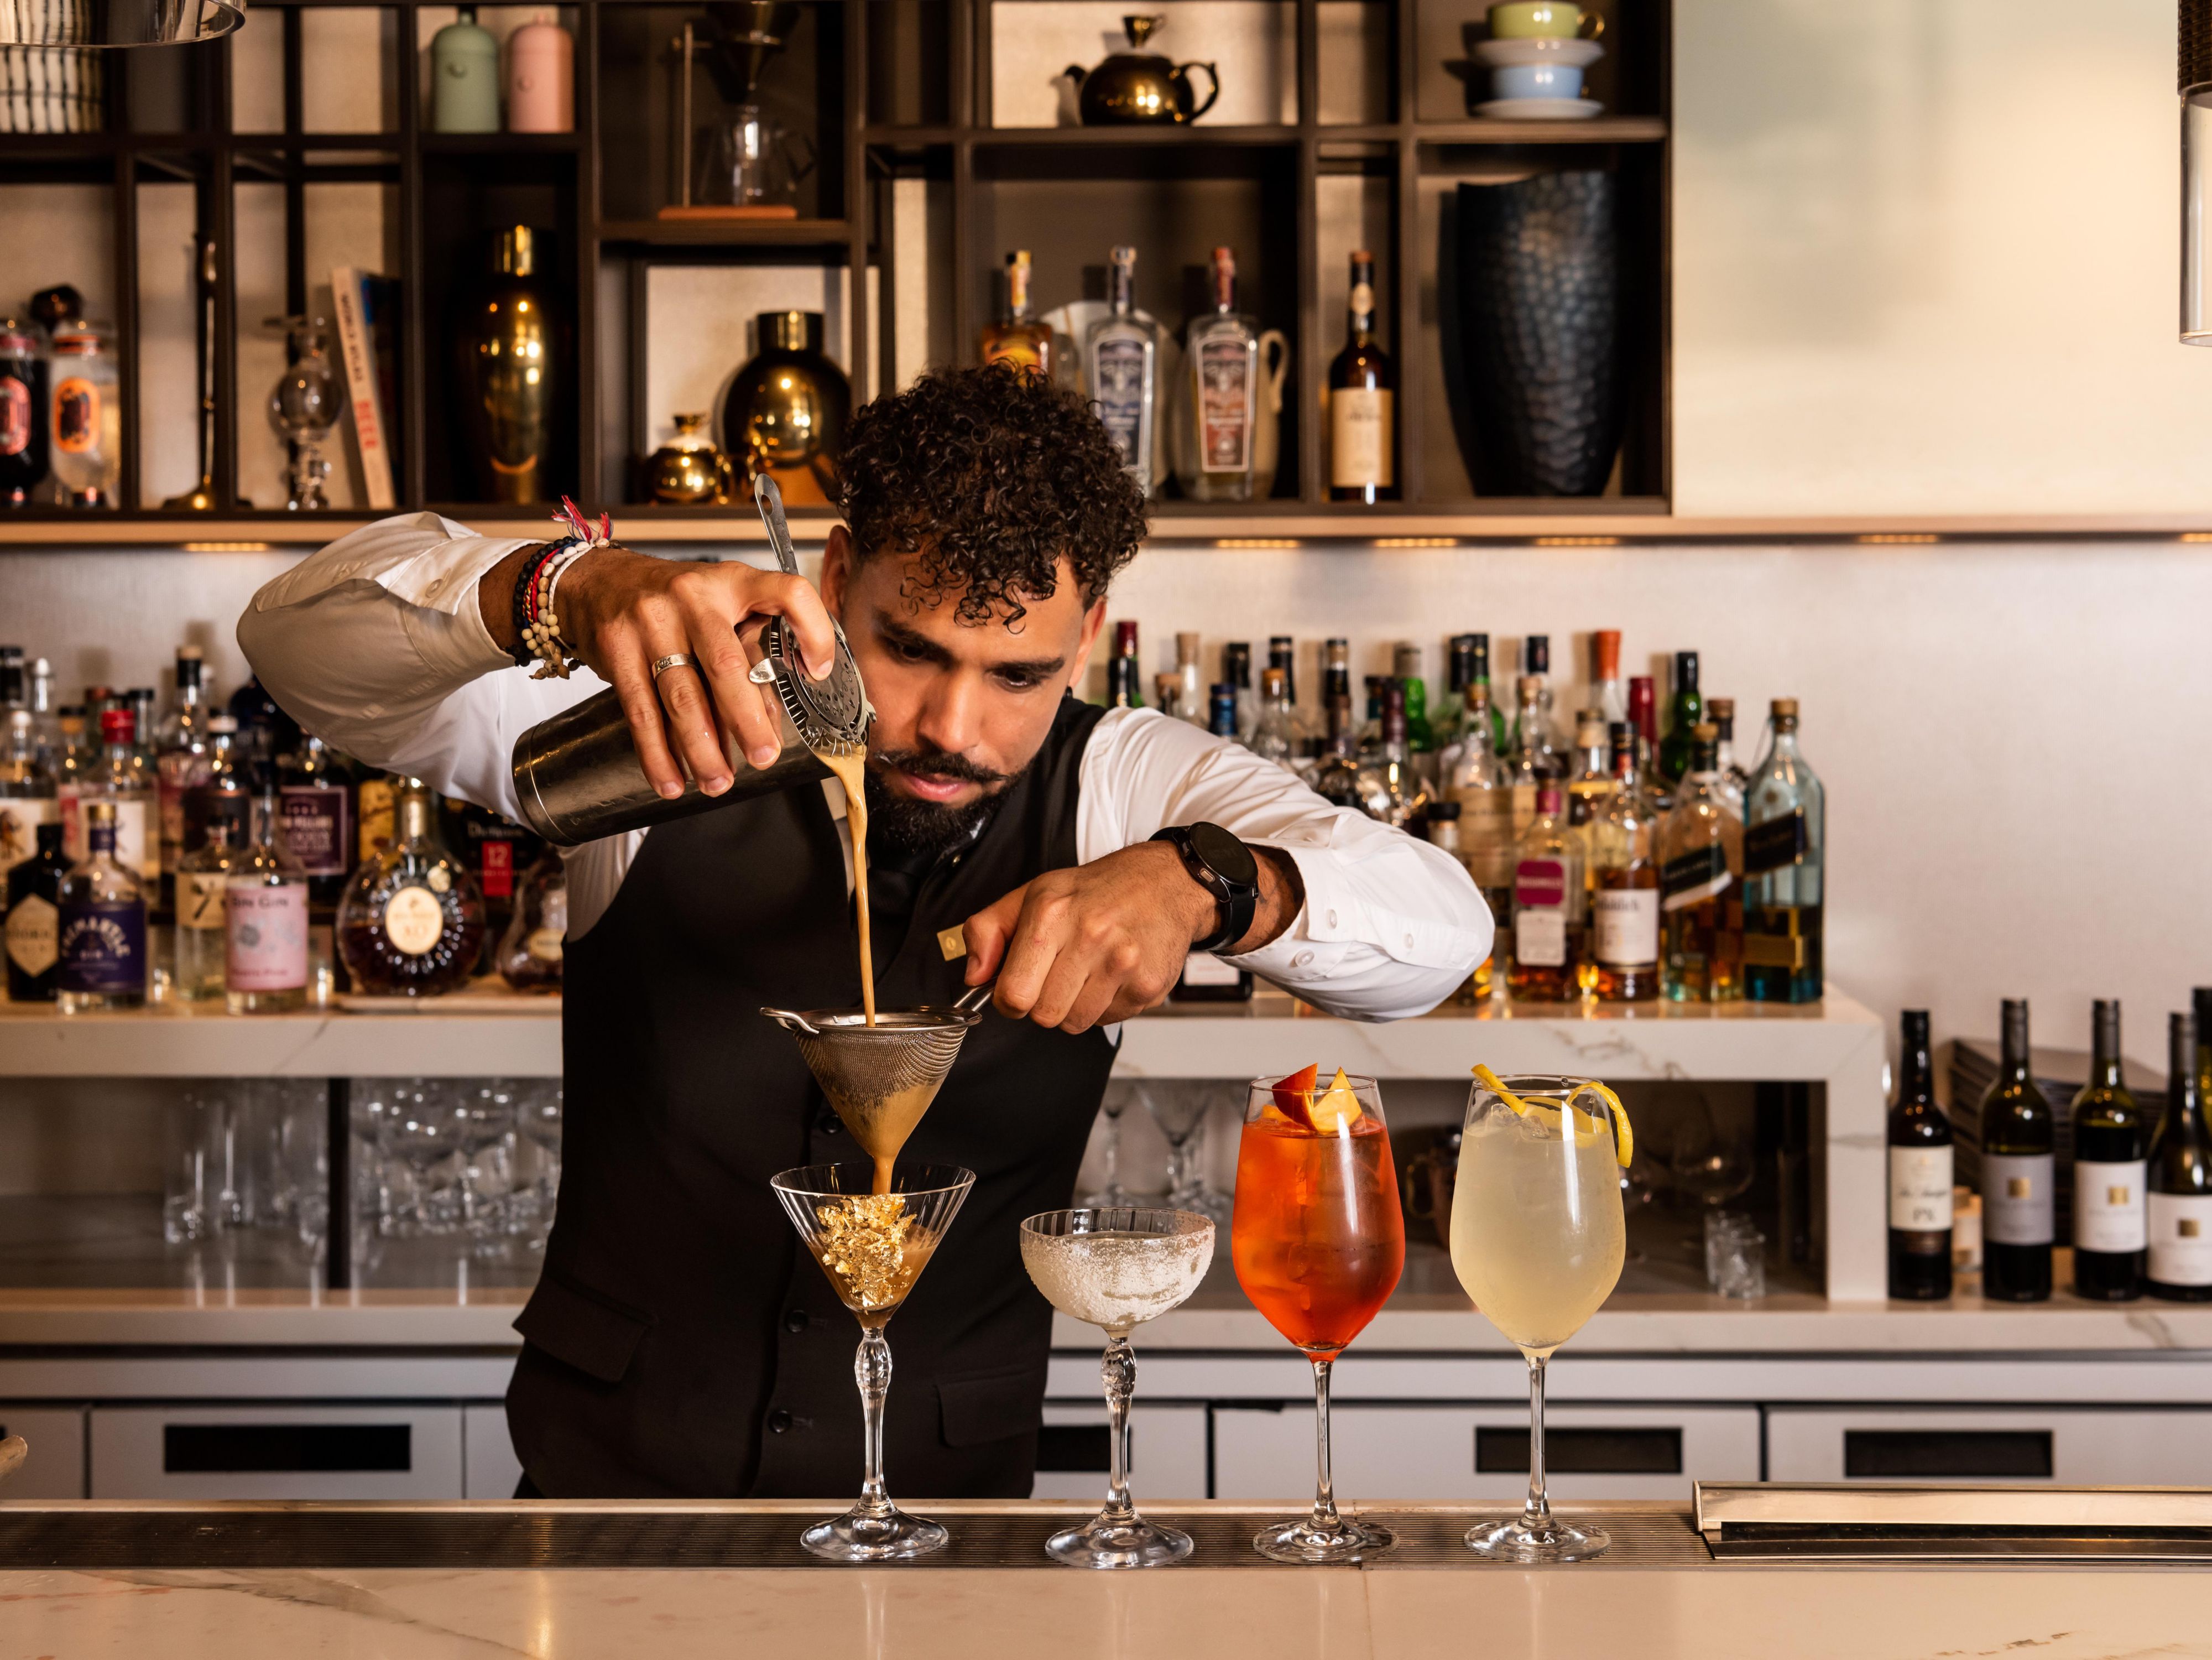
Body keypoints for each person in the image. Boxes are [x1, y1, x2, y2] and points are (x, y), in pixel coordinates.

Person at [238, 365, 1491, 1498]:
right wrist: (558, 587)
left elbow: (1442, 930)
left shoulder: (1127, 784)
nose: (954, 726)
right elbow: (293, 647)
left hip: (954, 1552)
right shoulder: (670, 720)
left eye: (1018, 676)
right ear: (833, 580)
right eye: (907, 649)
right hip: (611, 1518)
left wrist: (1208, 882)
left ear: (1089, 634)